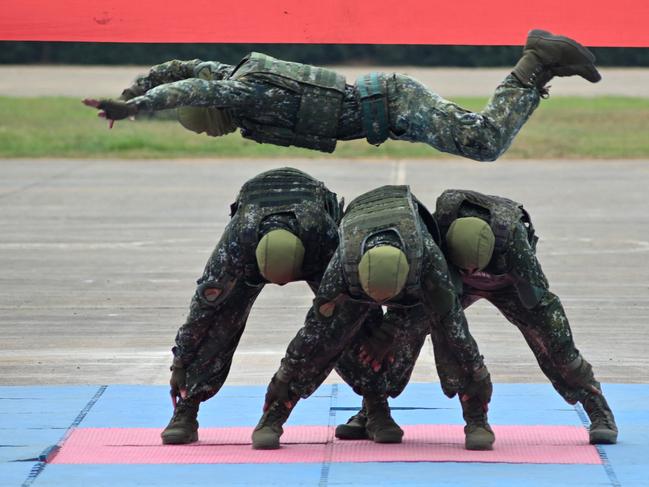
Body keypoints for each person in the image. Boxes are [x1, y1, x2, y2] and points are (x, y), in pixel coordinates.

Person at [335, 189, 618, 445]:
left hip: (509, 285)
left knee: (557, 348)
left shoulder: (514, 243)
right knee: (400, 334)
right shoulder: (437, 230)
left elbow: (539, 301)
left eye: (475, 269)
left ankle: (597, 408)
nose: (473, 274)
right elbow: (420, 292)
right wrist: (389, 334)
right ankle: (373, 410)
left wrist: (555, 342)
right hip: (451, 283)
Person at [83, 29, 600, 161]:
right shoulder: (233, 74)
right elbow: (178, 67)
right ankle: (543, 62)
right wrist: (133, 89)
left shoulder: (242, 95)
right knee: (480, 137)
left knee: (484, 142)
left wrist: (135, 107)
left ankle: (538, 59)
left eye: (211, 125)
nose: (219, 130)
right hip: (390, 106)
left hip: (393, 105)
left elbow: (188, 85)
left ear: (218, 110)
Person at [252, 185, 495, 451]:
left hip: (412, 289)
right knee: (332, 335)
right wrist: (284, 376)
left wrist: (477, 373)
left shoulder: (428, 261)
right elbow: (315, 330)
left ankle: (476, 418)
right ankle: (276, 414)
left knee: (447, 337)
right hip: (358, 279)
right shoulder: (342, 265)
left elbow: (454, 327)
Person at [160, 167, 343, 445]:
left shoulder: (324, 239)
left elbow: (331, 317)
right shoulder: (236, 246)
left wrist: (286, 377)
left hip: (310, 236)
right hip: (253, 239)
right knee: (217, 320)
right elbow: (203, 311)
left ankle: (369, 405)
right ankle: (187, 408)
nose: (281, 287)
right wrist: (181, 362)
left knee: (344, 321)